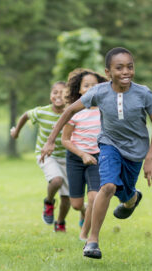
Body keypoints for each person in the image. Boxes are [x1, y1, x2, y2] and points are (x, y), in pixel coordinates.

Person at [40, 47, 152, 259]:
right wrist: (51, 140)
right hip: (109, 145)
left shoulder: (144, 93)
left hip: (135, 153)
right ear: (108, 73)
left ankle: (132, 199)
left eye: (130, 67)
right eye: (119, 68)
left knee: (126, 193)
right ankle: (92, 241)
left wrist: (150, 157)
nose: (126, 72)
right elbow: (69, 111)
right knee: (107, 186)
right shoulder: (99, 92)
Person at [10, 81, 73, 232]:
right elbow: (25, 116)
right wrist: (16, 132)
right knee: (57, 180)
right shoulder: (42, 112)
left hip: (67, 157)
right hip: (46, 155)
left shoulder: (71, 113)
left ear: (68, 96)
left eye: (62, 93)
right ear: (50, 96)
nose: (58, 96)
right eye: (55, 93)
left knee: (66, 197)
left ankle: (60, 222)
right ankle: (49, 202)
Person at [61, 69, 107, 241]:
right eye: (86, 85)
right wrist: (82, 154)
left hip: (96, 158)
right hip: (75, 158)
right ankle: (84, 212)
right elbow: (65, 140)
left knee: (95, 197)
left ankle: (84, 234)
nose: (90, 88)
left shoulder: (104, 111)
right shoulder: (74, 111)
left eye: (94, 85)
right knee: (76, 204)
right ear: (79, 90)